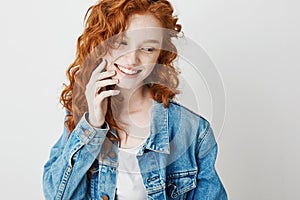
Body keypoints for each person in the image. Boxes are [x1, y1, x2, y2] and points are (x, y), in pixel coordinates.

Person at [43, 0, 227, 199]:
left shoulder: (193, 130)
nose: (132, 60)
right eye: (122, 43)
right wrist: (92, 126)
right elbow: (57, 195)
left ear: (160, 55)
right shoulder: (81, 117)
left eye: (148, 49)